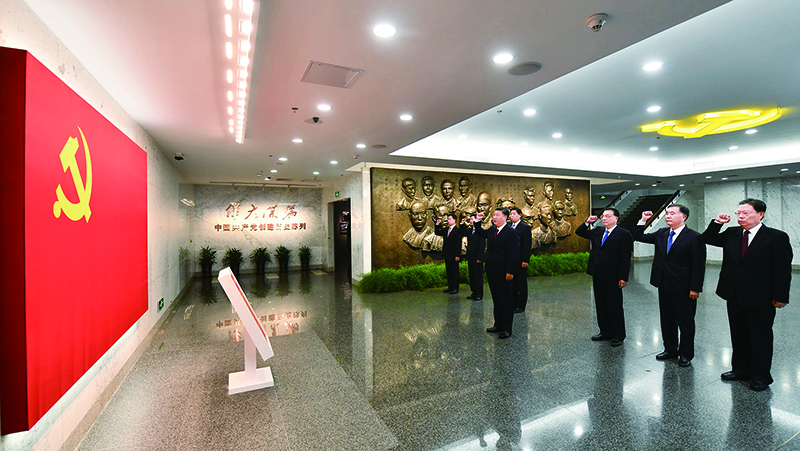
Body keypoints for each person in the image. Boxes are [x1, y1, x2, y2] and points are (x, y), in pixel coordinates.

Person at [700, 198, 792, 391]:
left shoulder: (776, 237)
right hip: (733, 293)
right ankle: (740, 369)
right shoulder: (732, 233)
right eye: (738, 213)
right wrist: (717, 223)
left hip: (761, 296)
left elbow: (783, 269)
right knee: (738, 333)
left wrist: (781, 296)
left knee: (760, 337)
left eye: (746, 213)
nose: (741, 216)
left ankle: (761, 376)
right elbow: (705, 239)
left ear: (760, 214)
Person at [633, 205, 706, 367]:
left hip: (684, 286)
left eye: (672, 213)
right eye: (667, 214)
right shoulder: (662, 233)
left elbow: (699, 265)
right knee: (667, 319)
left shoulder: (694, 237)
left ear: (684, 217)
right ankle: (670, 349)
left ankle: (686, 354)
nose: (668, 216)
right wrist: (643, 220)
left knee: (685, 322)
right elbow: (638, 236)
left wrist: (695, 287)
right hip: (664, 283)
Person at [576, 208, 632, 347]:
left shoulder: (624, 234)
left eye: (608, 216)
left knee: (614, 305)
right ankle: (605, 332)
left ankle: (618, 334)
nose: (604, 218)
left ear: (616, 218)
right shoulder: (598, 230)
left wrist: (623, 277)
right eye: (603, 216)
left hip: (613, 274)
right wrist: (587, 222)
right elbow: (579, 232)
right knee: (601, 304)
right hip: (597, 272)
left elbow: (625, 257)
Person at [472, 207, 520, 339]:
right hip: (492, 271)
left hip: (504, 273)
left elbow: (514, 254)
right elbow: (481, 233)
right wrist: (477, 221)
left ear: (505, 217)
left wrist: (510, 271)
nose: (494, 217)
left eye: (497, 215)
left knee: (505, 300)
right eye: (494, 215)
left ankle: (507, 328)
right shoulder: (493, 229)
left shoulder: (511, 233)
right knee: (496, 299)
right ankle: (498, 324)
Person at [509, 207, 532, 313]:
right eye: (510, 214)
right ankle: (514, 303)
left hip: (520, 260)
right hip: (511, 260)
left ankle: (521, 305)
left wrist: (525, 260)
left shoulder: (525, 227)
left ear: (520, 215)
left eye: (514, 214)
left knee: (521, 283)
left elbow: (527, 245)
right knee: (513, 283)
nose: (512, 216)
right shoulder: (509, 226)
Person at [436, 213, 463, 294]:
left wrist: (457, 255)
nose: (448, 221)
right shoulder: (446, 229)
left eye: (450, 219)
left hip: (454, 254)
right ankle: (450, 286)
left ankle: (455, 287)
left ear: (454, 220)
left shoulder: (457, 230)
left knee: (455, 271)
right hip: (447, 254)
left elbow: (458, 243)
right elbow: (437, 232)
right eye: (448, 219)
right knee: (449, 271)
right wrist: (437, 224)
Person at [464, 212, 486, 301]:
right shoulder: (469, 231)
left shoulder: (481, 231)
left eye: (473, 219)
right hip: (471, 257)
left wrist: (479, 258)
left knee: (478, 277)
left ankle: (479, 294)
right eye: (470, 219)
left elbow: (481, 246)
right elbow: (461, 232)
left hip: (477, 258)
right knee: (472, 276)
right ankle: (473, 292)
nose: (471, 221)